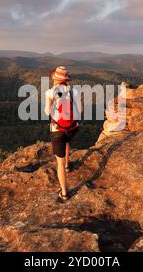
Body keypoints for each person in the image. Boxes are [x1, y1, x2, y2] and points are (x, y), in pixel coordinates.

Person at [44, 66, 81, 203]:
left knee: (58, 162)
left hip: (57, 130)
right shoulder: (74, 91)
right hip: (72, 128)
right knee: (67, 141)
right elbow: (79, 111)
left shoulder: (50, 92)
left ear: (55, 78)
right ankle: (67, 165)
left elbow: (47, 112)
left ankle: (64, 193)